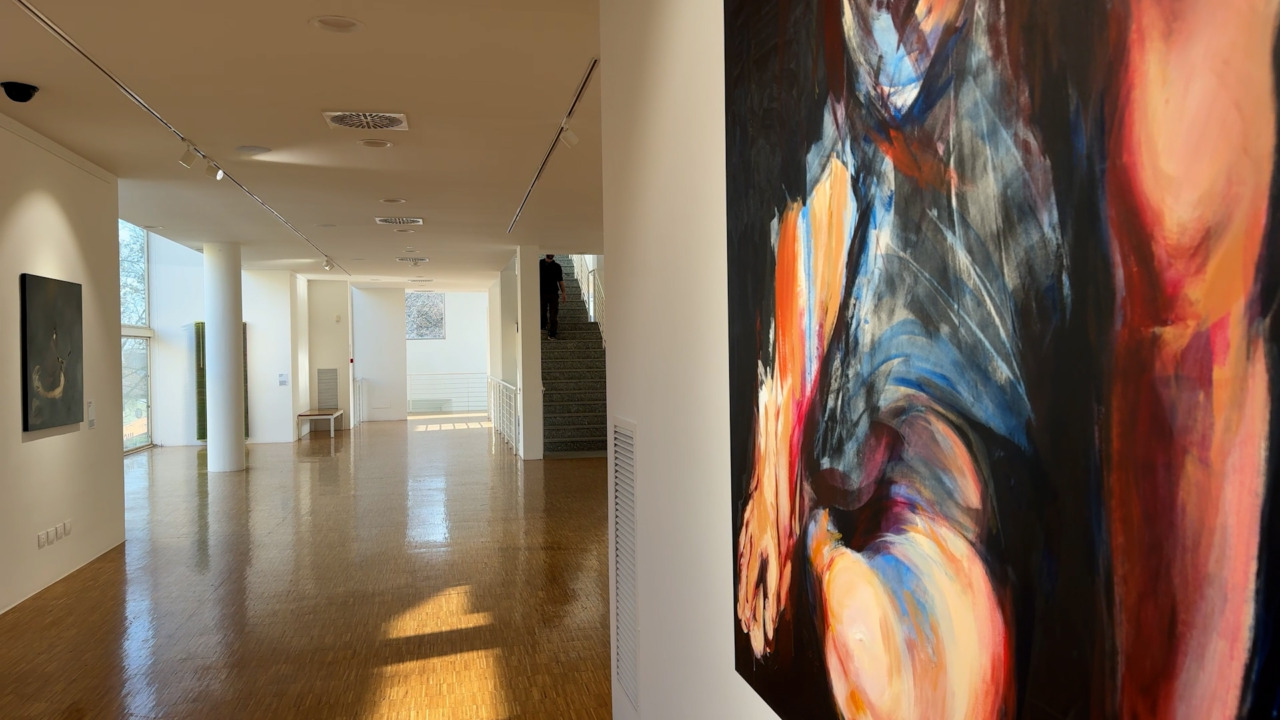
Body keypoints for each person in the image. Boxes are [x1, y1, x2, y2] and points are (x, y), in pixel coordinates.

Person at [539, 254, 566, 339]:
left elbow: (560, 280)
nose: (551, 254)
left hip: (553, 293)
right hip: (541, 293)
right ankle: (543, 326)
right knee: (542, 312)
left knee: (553, 314)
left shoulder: (557, 266)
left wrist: (563, 293)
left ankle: (552, 334)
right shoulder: (539, 264)